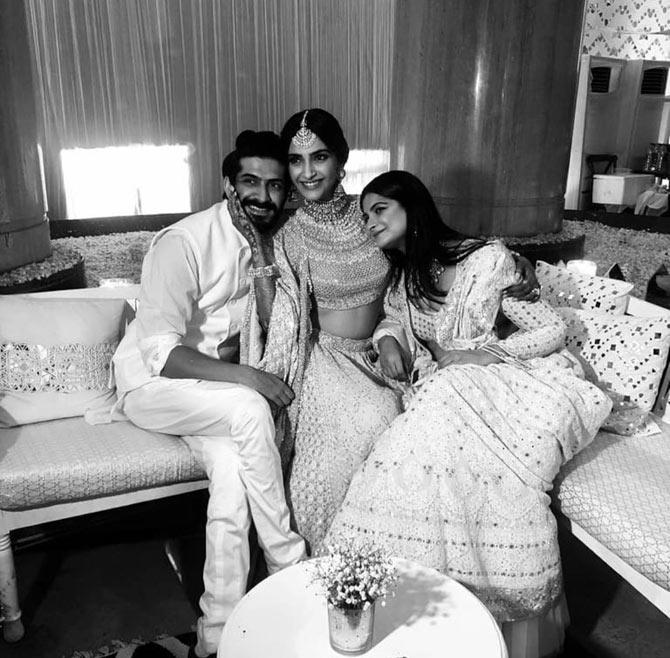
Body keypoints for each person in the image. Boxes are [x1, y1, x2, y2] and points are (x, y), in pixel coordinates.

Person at [324, 171, 612, 658]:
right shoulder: (404, 274)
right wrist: (389, 339)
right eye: (364, 214)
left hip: (498, 377)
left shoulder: (489, 259)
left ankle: (468, 600)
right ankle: (395, 596)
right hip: (449, 386)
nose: (370, 223)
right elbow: (392, 318)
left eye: (380, 210)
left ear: (412, 208)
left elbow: (552, 330)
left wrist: (484, 356)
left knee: (430, 419)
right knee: (417, 440)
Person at [245, 108, 540, 554]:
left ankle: (396, 571)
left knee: (414, 443)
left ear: (340, 160)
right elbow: (280, 322)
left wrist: (516, 263)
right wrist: (261, 249)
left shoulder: (373, 212)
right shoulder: (289, 236)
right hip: (327, 359)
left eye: (319, 157)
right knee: (354, 443)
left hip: (396, 348)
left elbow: (435, 256)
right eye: (296, 160)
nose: (307, 172)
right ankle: (333, 574)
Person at [111, 131, 306, 658]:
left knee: (232, 477)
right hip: (153, 386)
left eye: (275, 185)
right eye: (250, 182)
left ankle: (217, 632)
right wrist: (249, 378)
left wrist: (264, 249)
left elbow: (272, 320)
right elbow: (160, 354)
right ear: (227, 185)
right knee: (249, 406)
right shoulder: (183, 242)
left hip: (209, 394)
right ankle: (288, 563)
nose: (264, 196)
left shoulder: (274, 238)